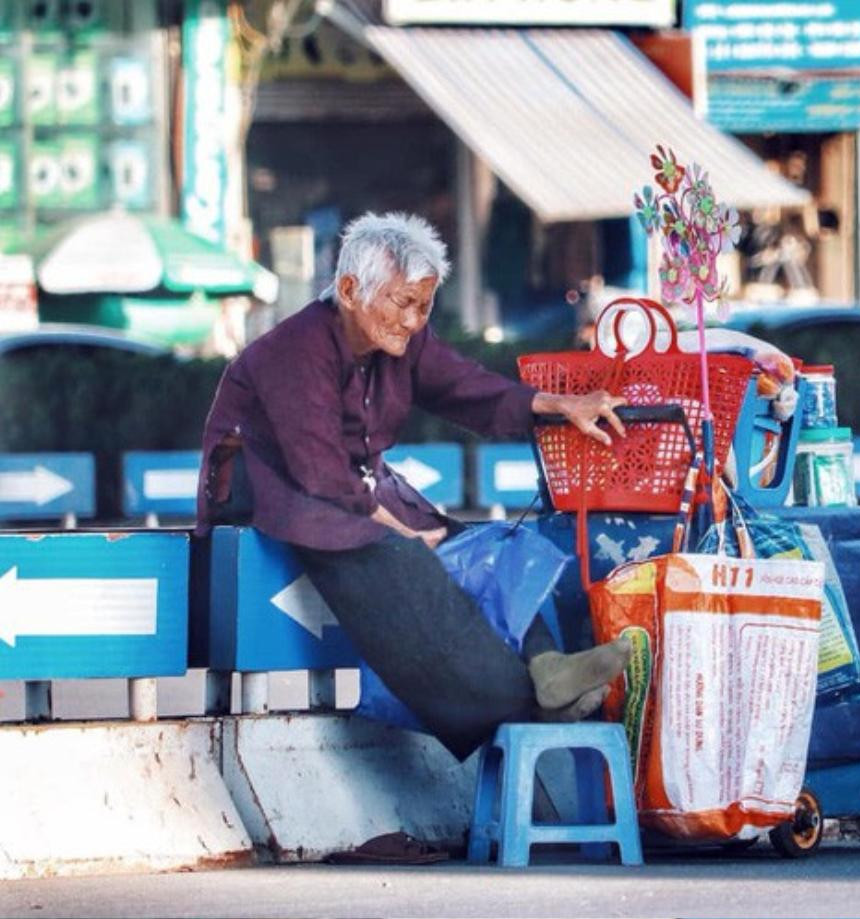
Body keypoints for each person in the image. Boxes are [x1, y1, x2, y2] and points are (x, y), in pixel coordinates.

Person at [196, 211, 632, 761]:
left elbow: (467, 386)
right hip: (264, 483)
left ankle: (548, 669)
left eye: (423, 305)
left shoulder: (406, 342)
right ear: (351, 290)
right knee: (394, 552)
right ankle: (518, 702)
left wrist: (558, 405)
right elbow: (318, 469)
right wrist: (398, 526)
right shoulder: (295, 349)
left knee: (475, 548)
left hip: (350, 483)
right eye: (403, 303)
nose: (413, 320)